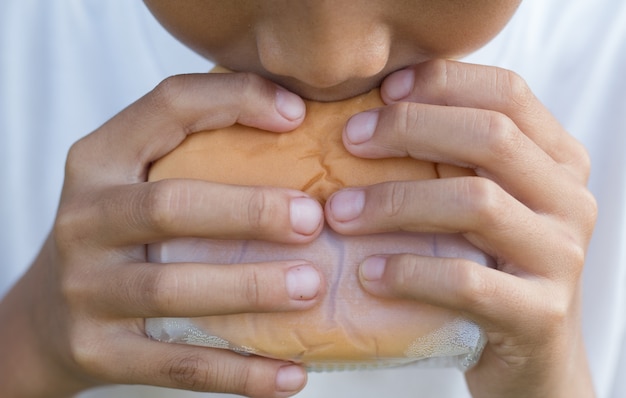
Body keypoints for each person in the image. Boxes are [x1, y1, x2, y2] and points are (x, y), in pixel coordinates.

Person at [0, 0, 624, 397]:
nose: (328, 61)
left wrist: (549, 378)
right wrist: (34, 336)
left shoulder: (607, 61)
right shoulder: (28, 40)